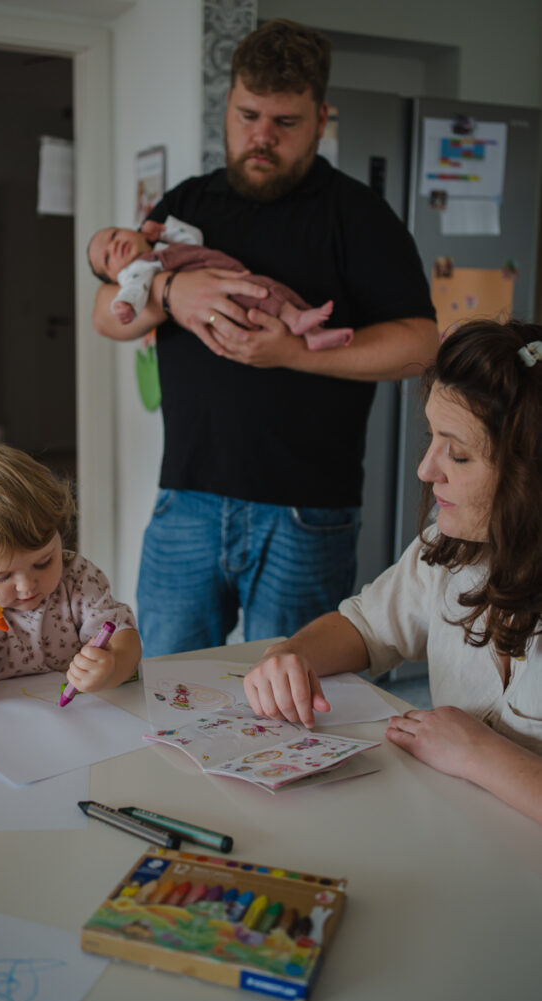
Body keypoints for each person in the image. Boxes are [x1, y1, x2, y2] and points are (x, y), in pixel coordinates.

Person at [92, 19, 438, 657]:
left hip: (305, 515)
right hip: (185, 501)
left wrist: (292, 353)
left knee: (292, 704)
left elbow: (422, 345)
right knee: (162, 690)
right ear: (227, 106)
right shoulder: (186, 204)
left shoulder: (357, 215)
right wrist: (172, 294)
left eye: (285, 122)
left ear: (321, 117)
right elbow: (106, 311)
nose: (261, 137)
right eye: (248, 115)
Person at [243, 319, 542, 823]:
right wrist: (293, 654)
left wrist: (482, 754)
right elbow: (365, 627)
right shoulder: (454, 548)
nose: (426, 470)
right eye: (432, 438)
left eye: (460, 454)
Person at [0, 444, 141, 706]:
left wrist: (111, 667)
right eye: (2, 577)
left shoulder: (78, 577)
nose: (26, 586)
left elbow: (126, 639)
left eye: (44, 561)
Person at [88, 216, 353, 351]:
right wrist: (126, 304)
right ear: (114, 278)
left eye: (113, 235)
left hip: (234, 276)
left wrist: (165, 231)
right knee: (267, 294)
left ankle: (313, 333)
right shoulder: (137, 270)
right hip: (226, 295)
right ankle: (299, 323)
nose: (114, 246)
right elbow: (137, 289)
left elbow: (194, 238)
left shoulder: (160, 245)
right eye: (108, 257)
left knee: (275, 289)